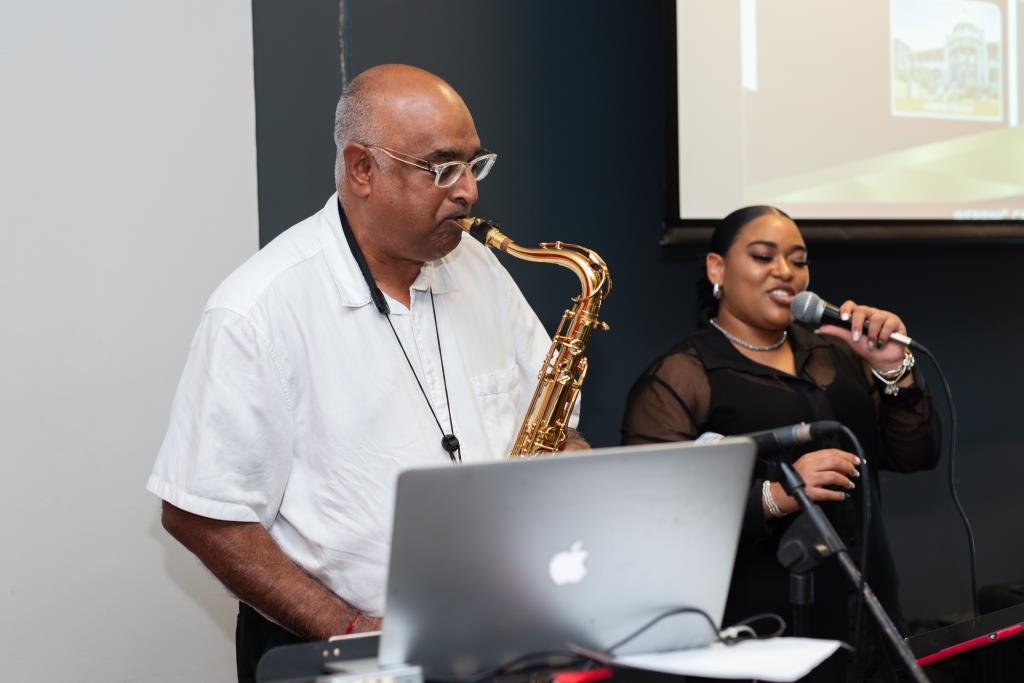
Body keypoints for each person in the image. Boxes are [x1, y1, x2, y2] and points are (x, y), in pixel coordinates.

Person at [147, 64, 585, 681]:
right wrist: (352, 629)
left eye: (474, 165)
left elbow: (555, 427)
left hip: (493, 634)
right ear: (361, 169)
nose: (468, 192)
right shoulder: (258, 309)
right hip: (339, 652)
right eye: (442, 169)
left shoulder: (481, 269)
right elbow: (200, 513)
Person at [621, 205, 938, 682]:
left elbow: (916, 455)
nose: (785, 271)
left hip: (867, 616)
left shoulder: (835, 354)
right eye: (763, 256)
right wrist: (776, 495)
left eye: (798, 259)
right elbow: (650, 514)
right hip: (761, 630)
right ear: (717, 269)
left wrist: (892, 368)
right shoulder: (684, 376)